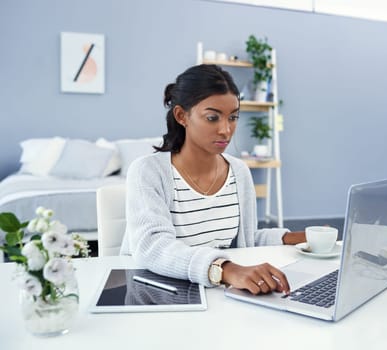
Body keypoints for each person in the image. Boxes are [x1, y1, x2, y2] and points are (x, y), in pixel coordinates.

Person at [120, 64, 306, 295]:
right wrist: (224, 269)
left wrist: (297, 237)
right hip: (158, 295)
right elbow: (152, 246)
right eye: (212, 118)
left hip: (216, 296)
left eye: (233, 117)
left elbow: (244, 240)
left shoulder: (239, 171)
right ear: (181, 116)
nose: (226, 130)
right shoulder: (147, 171)